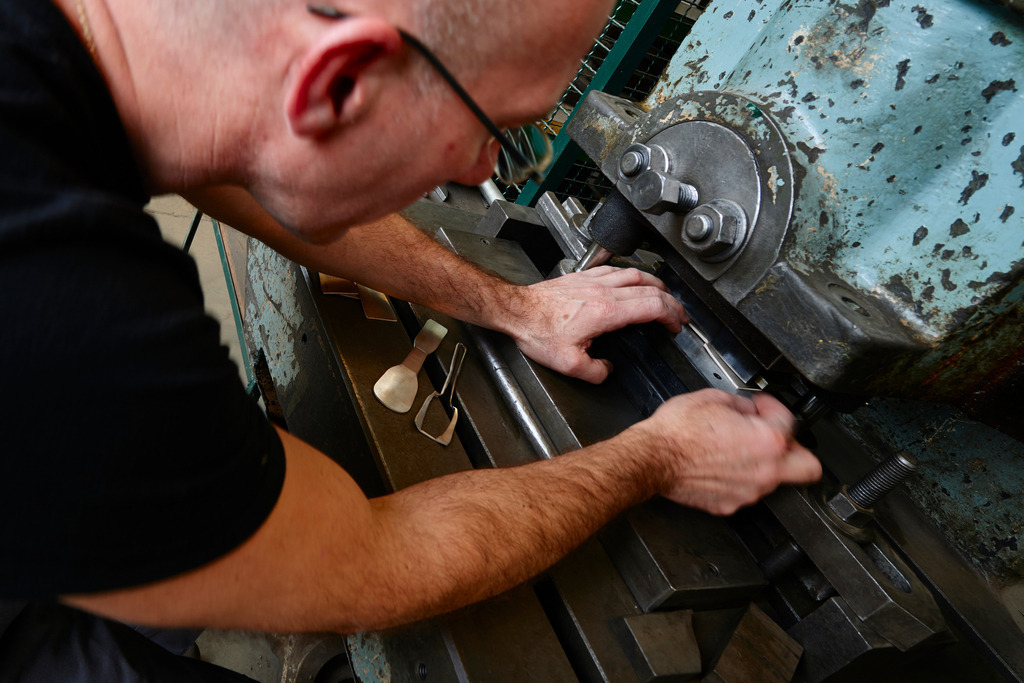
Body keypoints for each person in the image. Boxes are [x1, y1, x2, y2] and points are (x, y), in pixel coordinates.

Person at [0, 0, 822, 679]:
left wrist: (514, 305)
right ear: (341, 79)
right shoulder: (70, 324)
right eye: (496, 126)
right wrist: (661, 455)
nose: (478, 171)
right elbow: (366, 559)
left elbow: (240, 156)